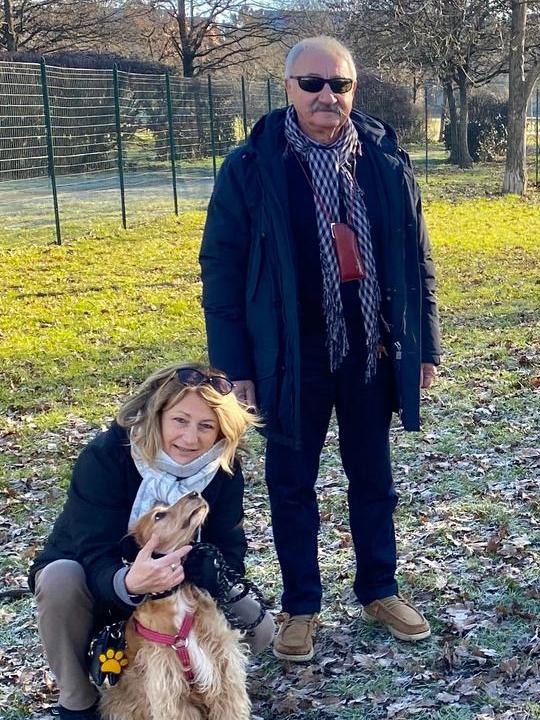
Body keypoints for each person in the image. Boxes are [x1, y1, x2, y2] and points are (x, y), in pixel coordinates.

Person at [199, 36, 442, 662]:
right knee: (291, 484)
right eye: (313, 84)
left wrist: (423, 347)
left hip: (369, 349)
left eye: (340, 85)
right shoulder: (253, 165)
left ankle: (379, 590)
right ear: (288, 90)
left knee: (373, 479)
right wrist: (236, 367)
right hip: (288, 355)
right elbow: (220, 270)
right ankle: (300, 605)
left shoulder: (386, 161)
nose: (327, 96)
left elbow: (416, 261)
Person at [30, 363, 272, 720]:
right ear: (157, 413)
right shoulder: (107, 456)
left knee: (260, 626)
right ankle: (77, 702)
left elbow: (231, 549)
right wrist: (128, 583)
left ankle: (204, 687)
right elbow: (92, 551)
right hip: (101, 584)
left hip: (178, 591)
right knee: (59, 579)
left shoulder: (223, 467)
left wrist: (210, 568)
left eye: (206, 426)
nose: (191, 439)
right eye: (180, 420)